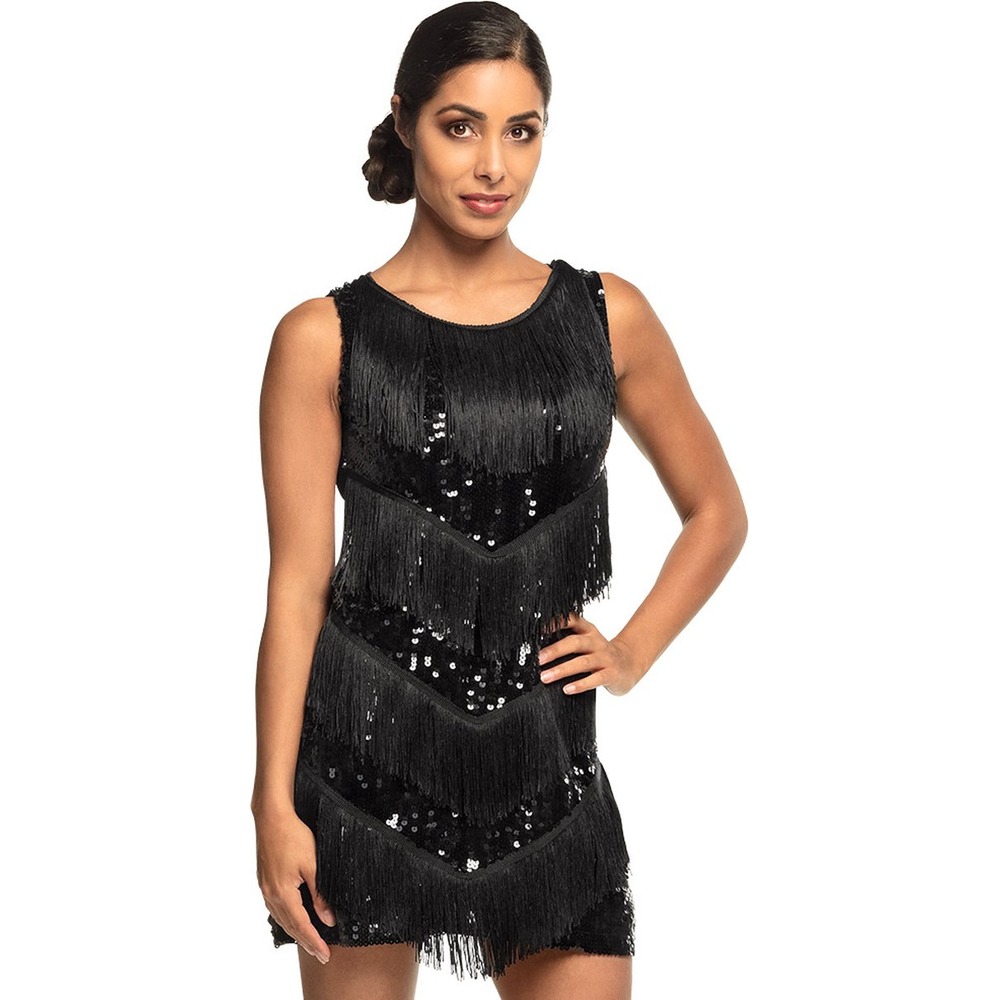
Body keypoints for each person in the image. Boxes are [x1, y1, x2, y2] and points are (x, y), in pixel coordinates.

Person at [250, 2, 748, 997]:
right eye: (460, 126)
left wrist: (631, 651)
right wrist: (271, 800)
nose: (493, 167)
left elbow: (717, 511)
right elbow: (298, 585)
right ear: (404, 119)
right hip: (364, 777)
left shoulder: (607, 317)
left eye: (522, 131)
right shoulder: (322, 338)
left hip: (549, 785)